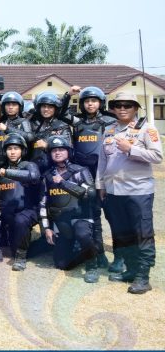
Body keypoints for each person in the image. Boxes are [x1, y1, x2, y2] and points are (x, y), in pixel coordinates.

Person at [97, 92, 162, 294]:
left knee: (142, 233)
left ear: (135, 108)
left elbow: (157, 156)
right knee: (122, 233)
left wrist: (130, 149)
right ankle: (131, 269)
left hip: (138, 191)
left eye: (128, 105)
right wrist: (101, 185)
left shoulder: (147, 129)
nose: (122, 109)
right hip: (114, 191)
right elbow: (102, 160)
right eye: (118, 105)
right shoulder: (109, 130)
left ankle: (143, 276)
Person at [59, 85, 117, 269]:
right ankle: (97, 253)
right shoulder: (78, 121)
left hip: (103, 173)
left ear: (100, 103)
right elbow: (61, 113)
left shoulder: (109, 121)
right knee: (91, 214)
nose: (90, 104)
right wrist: (68, 95)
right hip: (83, 175)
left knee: (108, 214)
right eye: (86, 101)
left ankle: (114, 254)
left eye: (94, 101)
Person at [39, 136, 99, 283]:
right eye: (54, 150)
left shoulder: (80, 171)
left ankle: (92, 266)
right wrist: (46, 228)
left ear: (69, 152)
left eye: (61, 149)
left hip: (81, 217)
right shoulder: (47, 176)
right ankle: (79, 249)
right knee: (62, 264)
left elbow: (89, 194)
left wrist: (63, 183)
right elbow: (43, 203)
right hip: (61, 221)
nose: (57, 153)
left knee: (82, 234)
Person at [0, 133, 41, 271]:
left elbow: (34, 177)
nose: (12, 152)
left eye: (16, 148)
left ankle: (21, 258)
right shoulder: (1, 169)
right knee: (4, 242)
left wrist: (8, 173)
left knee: (20, 221)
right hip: (8, 213)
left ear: (23, 150)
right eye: (9, 149)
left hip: (28, 211)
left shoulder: (29, 165)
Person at [30, 92, 72, 172]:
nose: (46, 109)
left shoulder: (62, 126)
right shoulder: (33, 125)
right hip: (35, 168)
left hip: (56, 169)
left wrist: (47, 146)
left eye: (50, 107)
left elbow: (69, 150)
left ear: (55, 109)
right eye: (44, 106)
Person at [0, 92, 35, 169]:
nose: (10, 107)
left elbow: (29, 137)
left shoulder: (24, 122)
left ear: (19, 107)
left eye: (14, 105)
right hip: (1, 163)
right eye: (8, 105)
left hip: (20, 164)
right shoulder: (1, 122)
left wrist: (7, 129)